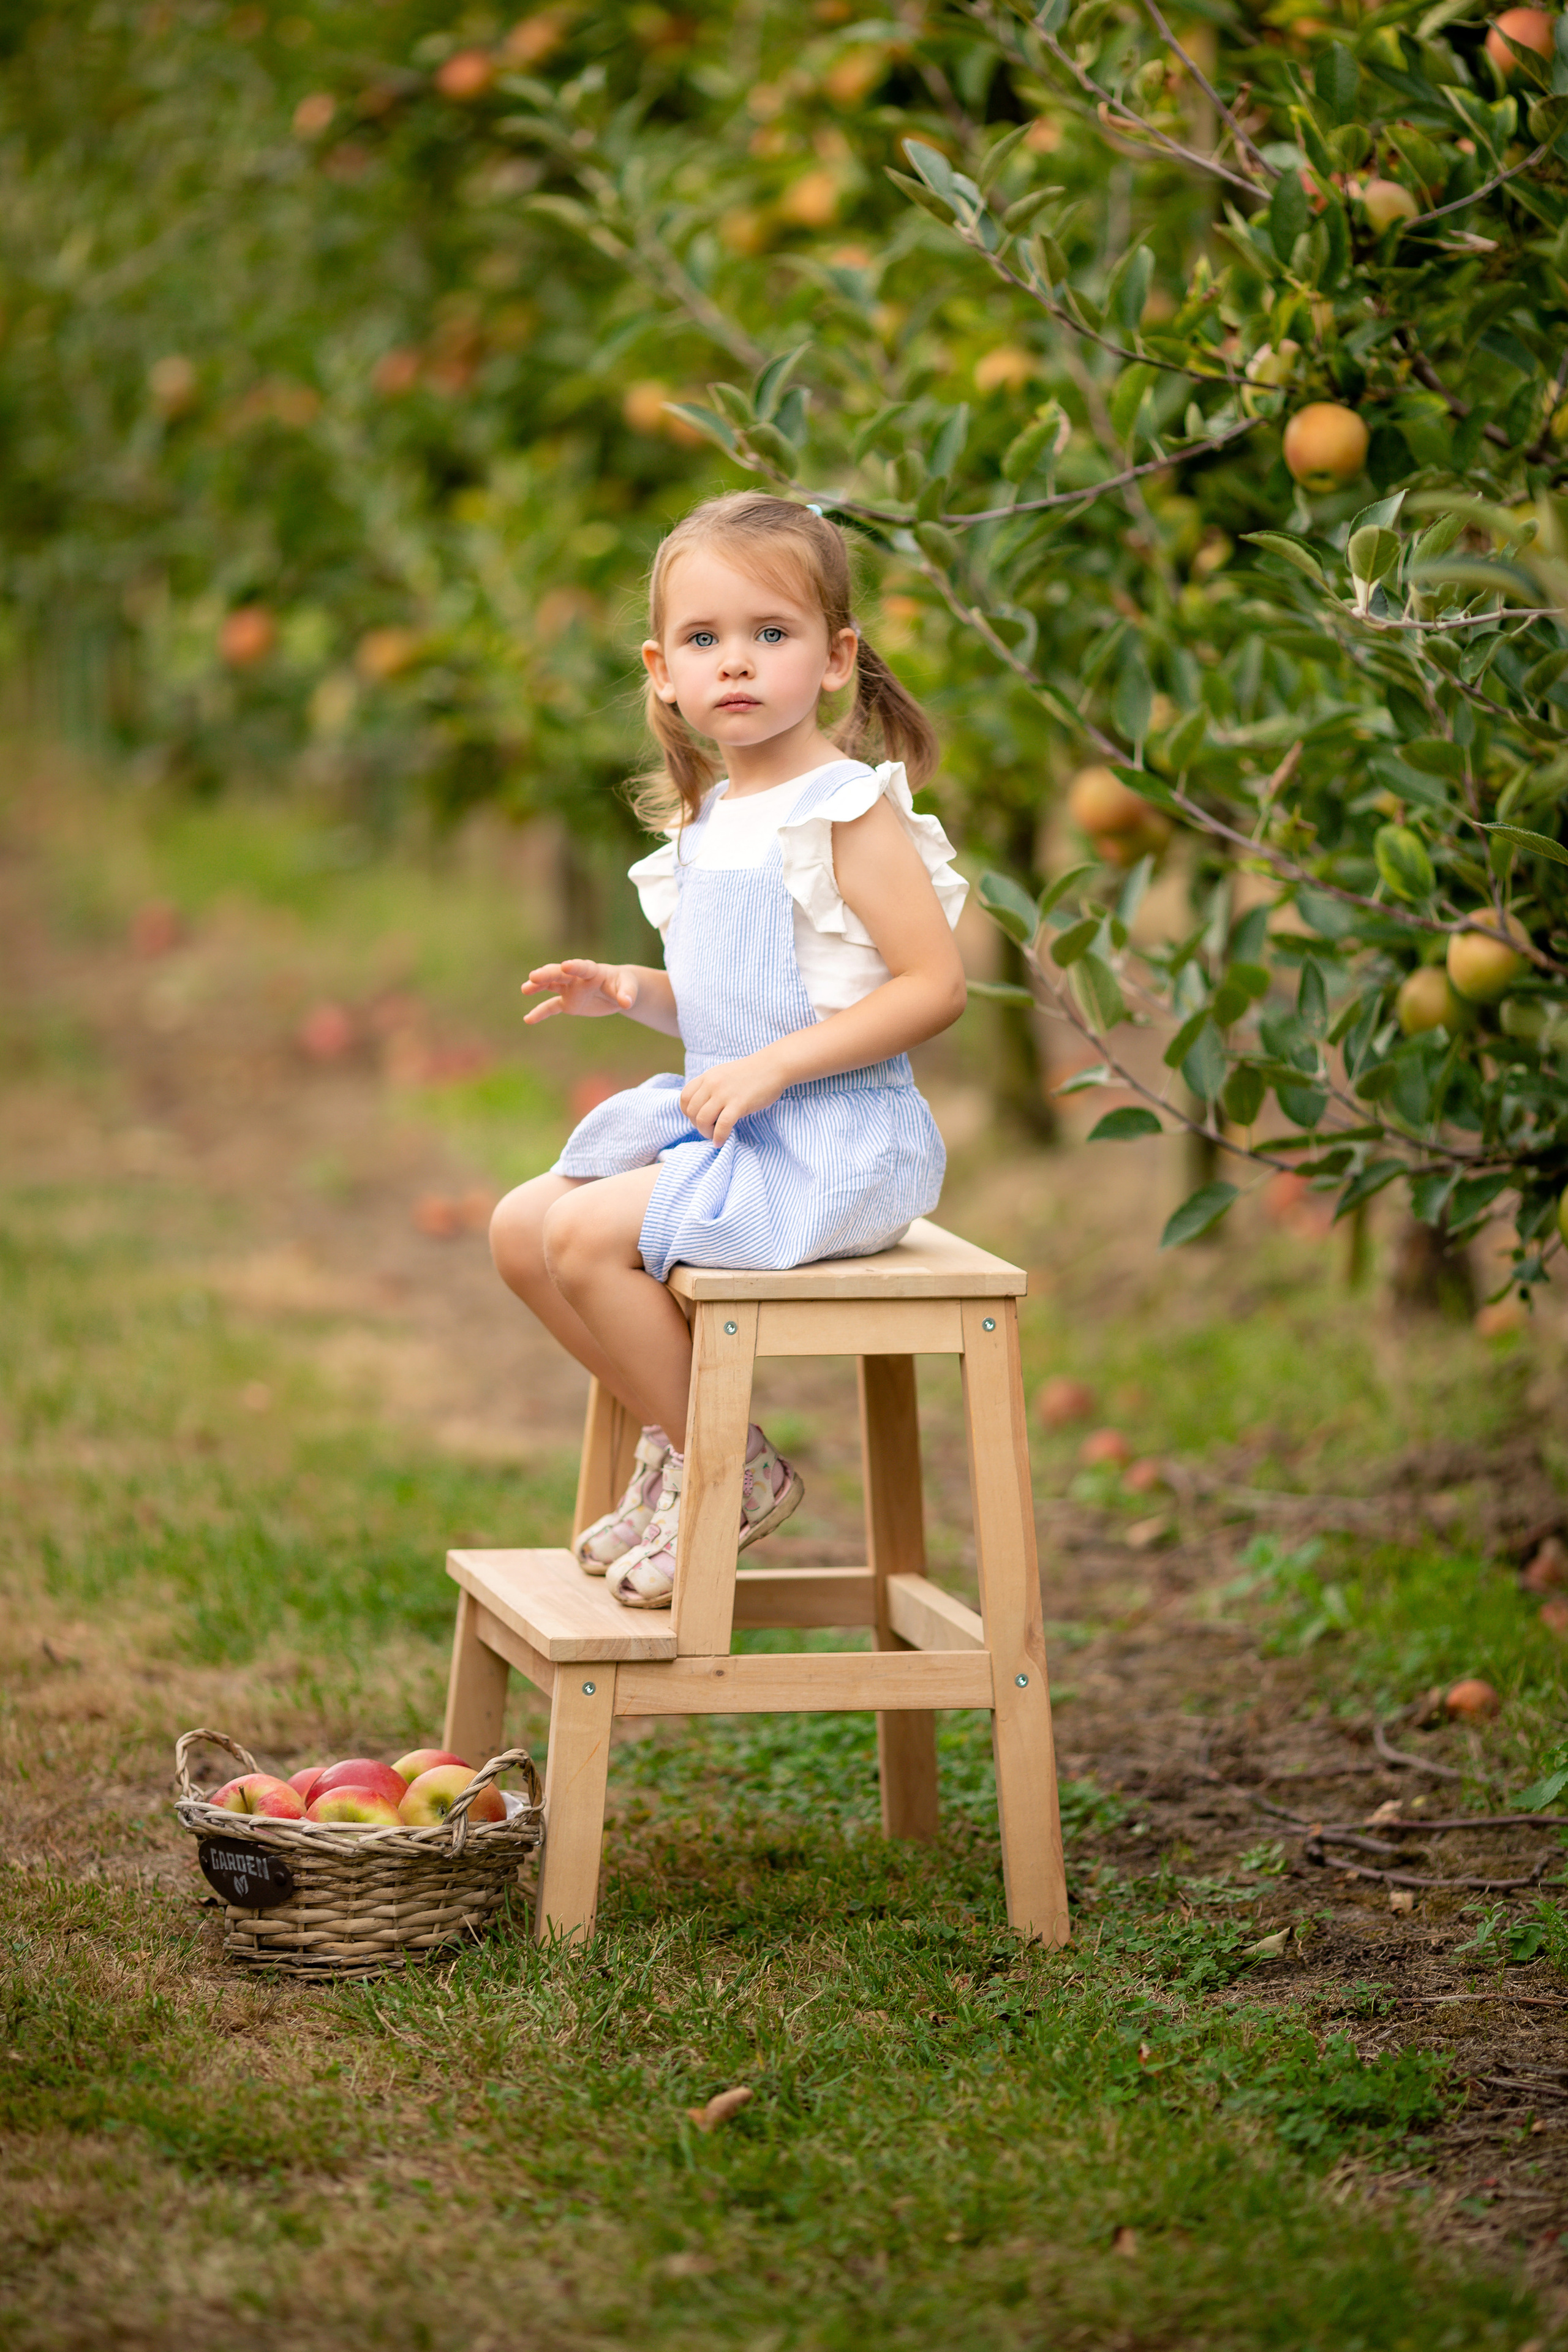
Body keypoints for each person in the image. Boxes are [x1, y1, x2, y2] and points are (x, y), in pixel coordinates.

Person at [489, 492, 968, 1609]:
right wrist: (631, 992)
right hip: (742, 1120)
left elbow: (934, 988)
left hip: (839, 1140)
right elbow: (725, 1012)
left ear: (838, 657)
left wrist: (783, 1067)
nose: (736, 662)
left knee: (586, 1234)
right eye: (705, 640)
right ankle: (677, 1433)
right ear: (663, 670)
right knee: (524, 1230)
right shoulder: (704, 822)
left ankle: (727, 1468)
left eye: (772, 633)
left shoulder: (845, 810)